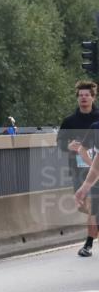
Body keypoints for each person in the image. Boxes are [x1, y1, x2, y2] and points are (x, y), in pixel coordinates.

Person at [57, 81, 99, 257]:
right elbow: (60, 144)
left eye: (86, 95)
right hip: (78, 169)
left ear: (93, 97)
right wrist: (69, 146)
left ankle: (88, 243)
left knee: (93, 207)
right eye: (80, 95)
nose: (83, 98)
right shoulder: (69, 121)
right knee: (85, 206)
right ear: (77, 98)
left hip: (95, 169)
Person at [74, 117, 99, 250]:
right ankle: (88, 243)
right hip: (96, 178)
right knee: (93, 210)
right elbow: (81, 150)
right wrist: (93, 167)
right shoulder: (95, 127)